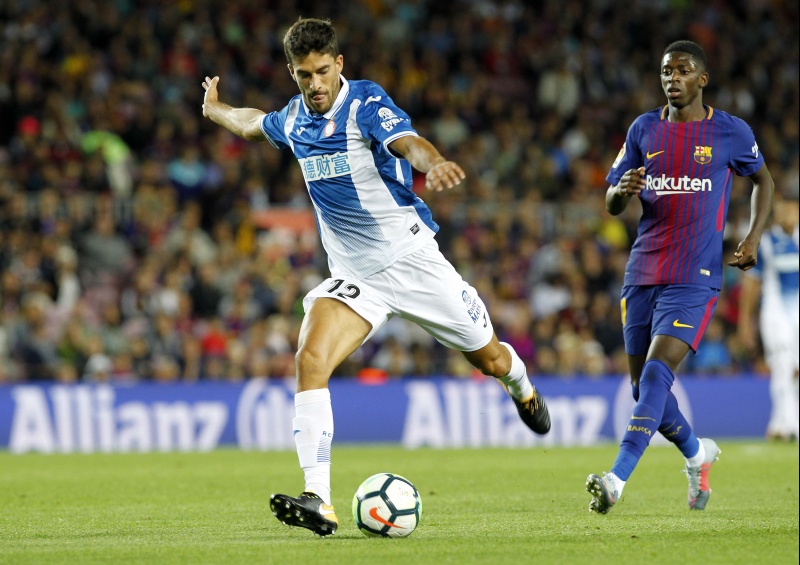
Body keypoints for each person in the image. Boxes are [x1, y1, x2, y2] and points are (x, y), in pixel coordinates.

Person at [201, 18, 551, 536]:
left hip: (413, 262)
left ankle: (521, 386)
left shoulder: (364, 103)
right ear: (293, 73)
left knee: (491, 359)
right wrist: (216, 110)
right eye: (304, 75)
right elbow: (253, 123)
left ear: (339, 64)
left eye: (323, 71)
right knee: (310, 358)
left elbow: (408, 142)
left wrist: (434, 163)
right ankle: (318, 499)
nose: (315, 84)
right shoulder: (294, 119)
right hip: (355, 277)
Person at [586, 40, 774, 514]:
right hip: (643, 270)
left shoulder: (729, 131)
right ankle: (697, 454)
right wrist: (621, 191)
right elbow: (612, 201)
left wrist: (753, 237)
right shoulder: (643, 129)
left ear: (702, 79)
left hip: (695, 275)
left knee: (656, 373)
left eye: (683, 70)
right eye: (667, 71)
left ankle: (615, 480)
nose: (673, 78)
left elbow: (764, 180)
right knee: (642, 389)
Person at [738, 192, 799, 442]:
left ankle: (778, 424)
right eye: (784, 210)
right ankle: (792, 426)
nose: (788, 214)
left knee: (794, 370)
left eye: (792, 209)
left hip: (797, 315)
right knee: (783, 364)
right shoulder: (766, 243)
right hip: (775, 313)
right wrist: (745, 322)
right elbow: (751, 285)